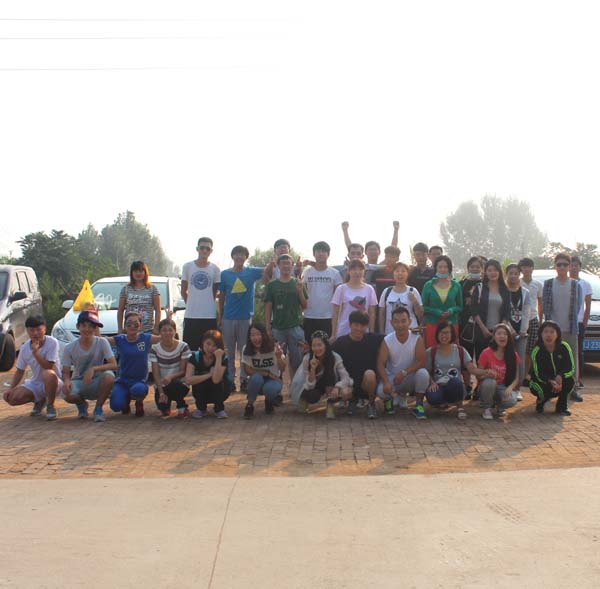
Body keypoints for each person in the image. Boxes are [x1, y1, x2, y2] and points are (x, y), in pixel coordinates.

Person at [218, 245, 264, 392]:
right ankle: (230, 380)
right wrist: (220, 315)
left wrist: (273, 262)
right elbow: (221, 296)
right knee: (229, 352)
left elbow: (270, 270)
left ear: (246, 257)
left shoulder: (251, 272)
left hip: (245, 318)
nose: (239, 257)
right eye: (237, 254)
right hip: (228, 318)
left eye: (242, 254)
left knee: (245, 351)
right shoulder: (225, 274)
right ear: (233, 256)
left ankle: (244, 379)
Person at [3, 315, 63, 420]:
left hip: (54, 381)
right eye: (32, 330)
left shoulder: (52, 342)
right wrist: (10, 389)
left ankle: (50, 405)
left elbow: (48, 366)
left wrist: (35, 353)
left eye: (38, 329)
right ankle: (39, 400)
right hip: (36, 382)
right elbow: (20, 371)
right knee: (12, 398)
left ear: (44, 329)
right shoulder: (24, 347)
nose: (35, 333)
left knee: (48, 374)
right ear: (27, 331)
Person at [62, 310, 117, 423]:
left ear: (95, 328)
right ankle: (81, 404)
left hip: (97, 380)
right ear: (78, 327)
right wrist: (67, 382)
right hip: (79, 381)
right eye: (84, 326)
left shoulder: (102, 342)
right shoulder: (69, 348)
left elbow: (113, 364)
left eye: (91, 326)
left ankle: (98, 408)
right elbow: (66, 371)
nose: (87, 329)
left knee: (109, 377)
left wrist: (94, 369)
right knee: (66, 393)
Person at [542, 253, 583, 402]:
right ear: (555, 266)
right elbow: (545, 306)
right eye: (559, 264)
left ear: (569, 266)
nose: (562, 267)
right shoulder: (548, 284)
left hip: (570, 328)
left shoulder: (575, 285)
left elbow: (578, 305)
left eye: (565, 264)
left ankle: (573, 388)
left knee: (572, 359)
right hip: (552, 331)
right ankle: (549, 389)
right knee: (550, 359)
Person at [376, 307, 429, 419]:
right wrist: (386, 382)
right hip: (393, 378)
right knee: (381, 391)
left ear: (409, 321)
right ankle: (389, 401)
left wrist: (404, 372)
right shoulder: (387, 340)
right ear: (391, 323)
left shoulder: (417, 338)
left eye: (403, 321)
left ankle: (419, 405)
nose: (400, 325)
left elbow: (422, 362)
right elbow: (380, 363)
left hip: (410, 377)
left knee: (423, 374)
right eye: (396, 321)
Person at [106, 311, 160, 417]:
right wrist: (95, 324)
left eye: (136, 324)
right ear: (124, 325)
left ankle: (139, 403)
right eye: (129, 323)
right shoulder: (120, 339)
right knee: (116, 405)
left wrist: (168, 321)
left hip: (139, 381)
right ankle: (125, 402)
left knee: (138, 390)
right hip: (122, 380)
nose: (132, 326)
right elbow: (101, 340)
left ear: (140, 326)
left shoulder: (146, 338)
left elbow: (165, 337)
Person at [264, 254, 308, 378]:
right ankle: (277, 386)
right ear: (278, 266)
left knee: (297, 362)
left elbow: (305, 305)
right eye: (283, 263)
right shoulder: (272, 285)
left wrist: (300, 291)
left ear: (292, 266)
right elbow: (268, 307)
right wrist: (267, 327)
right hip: (278, 328)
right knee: (277, 361)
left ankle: (295, 386)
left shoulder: (298, 283)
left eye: (288, 263)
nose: (286, 266)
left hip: (296, 327)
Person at [332, 310, 383, 418]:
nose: (359, 328)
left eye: (362, 325)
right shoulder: (340, 343)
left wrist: (411, 332)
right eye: (356, 325)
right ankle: (352, 401)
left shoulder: (373, 339)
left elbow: (393, 337)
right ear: (350, 324)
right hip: (348, 384)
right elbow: (326, 352)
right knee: (345, 391)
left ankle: (371, 404)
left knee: (370, 374)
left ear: (367, 326)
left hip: (366, 384)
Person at [294, 331, 353, 419]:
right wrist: (313, 369)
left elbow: (346, 378)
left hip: (331, 383)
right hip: (311, 386)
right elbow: (309, 386)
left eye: (319, 345)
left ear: (326, 345)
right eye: (314, 345)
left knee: (346, 391)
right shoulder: (307, 359)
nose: (317, 348)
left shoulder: (335, 357)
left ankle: (330, 403)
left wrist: (337, 387)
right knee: (312, 396)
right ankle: (304, 400)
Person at [425, 321, 474, 420]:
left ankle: (460, 407)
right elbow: (425, 371)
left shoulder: (460, 350)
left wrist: (486, 372)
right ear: (437, 334)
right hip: (438, 385)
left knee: (456, 382)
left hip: (455, 386)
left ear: (452, 334)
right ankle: (442, 403)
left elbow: (471, 369)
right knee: (433, 397)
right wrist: (431, 382)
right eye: (441, 332)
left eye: (447, 333)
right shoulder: (431, 351)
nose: (444, 335)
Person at [181, 237, 221, 353]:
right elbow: (183, 290)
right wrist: (191, 304)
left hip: (209, 316)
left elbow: (214, 292)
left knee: (209, 350)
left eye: (207, 248)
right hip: (191, 316)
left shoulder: (215, 269)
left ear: (211, 251)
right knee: (190, 351)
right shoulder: (187, 266)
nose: (204, 250)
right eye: (202, 248)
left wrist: (205, 304)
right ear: (197, 249)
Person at [474, 323, 519, 420]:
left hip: (502, 386)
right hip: (486, 386)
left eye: (505, 334)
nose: (502, 336)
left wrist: (510, 387)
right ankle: (487, 407)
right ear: (494, 337)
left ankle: (500, 406)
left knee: (512, 400)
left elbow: (516, 378)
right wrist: (487, 374)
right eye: (499, 334)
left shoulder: (513, 354)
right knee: (490, 382)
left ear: (509, 337)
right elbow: (478, 376)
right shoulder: (486, 353)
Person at [529, 321, 575, 416]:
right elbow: (538, 373)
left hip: (559, 380)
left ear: (557, 334)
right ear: (541, 334)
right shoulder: (536, 350)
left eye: (552, 332)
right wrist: (550, 381)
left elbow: (571, 367)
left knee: (570, 381)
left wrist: (560, 376)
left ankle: (561, 407)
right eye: (545, 332)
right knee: (542, 390)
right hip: (541, 381)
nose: (548, 335)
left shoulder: (565, 347)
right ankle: (541, 401)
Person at [241, 324, 286, 419]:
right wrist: (266, 373)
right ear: (249, 337)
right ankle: (249, 405)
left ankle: (269, 400)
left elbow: (282, 369)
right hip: (258, 377)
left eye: (258, 334)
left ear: (264, 335)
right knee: (256, 378)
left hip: (273, 379)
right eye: (252, 335)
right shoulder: (246, 348)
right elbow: (248, 371)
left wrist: (279, 358)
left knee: (270, 389)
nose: (256, 338)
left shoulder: (274, 347)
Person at [150, 318, 192, 418]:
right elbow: (156, 374)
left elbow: (183, 371)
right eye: (164, 330)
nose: (167, 333)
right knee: (163, 408)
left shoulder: (183, 346)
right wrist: (161, 393)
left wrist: (170, 377)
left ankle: (182, 407)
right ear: (159, 332)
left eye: (170, 330)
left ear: (174, 331)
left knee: (174, 384)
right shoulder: (154, 349)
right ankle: (166, 406)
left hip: (180, 384)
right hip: (162, 385)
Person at [185, 330, 232, 418]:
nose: (210, 348)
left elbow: (216, 379)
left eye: (214, 345)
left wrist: (218, 358)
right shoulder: (195, 357)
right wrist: (209, 375)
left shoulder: (223, 358)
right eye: (208, 344)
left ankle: (219, 409)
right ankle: (201, 409)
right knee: (199, 380)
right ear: (203, 343)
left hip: (220, 391)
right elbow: (188, 380)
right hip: (201, 391)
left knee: (218, 381)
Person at [302, 241, 343, 341]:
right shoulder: (307, 272)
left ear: (328, 254)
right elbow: (302, 291)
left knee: (327, 346)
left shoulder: (335, 273)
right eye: (318, 251)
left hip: (328, 317)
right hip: (309, 315)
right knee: (310, 345)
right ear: (314, 254)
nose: (320, 254)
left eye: (323, 251)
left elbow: (338, 297)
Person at [471, 259, 511, 360]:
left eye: (495, 270)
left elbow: (507, 311)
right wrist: (483, 329)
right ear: (485, 272)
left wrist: (501, 329)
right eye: (489, 270)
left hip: (499, 334)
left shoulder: (505, 290)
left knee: (498, 360)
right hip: (482, 331)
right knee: (482, 360)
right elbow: (474, 310)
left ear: (499, 272)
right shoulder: (479, 287)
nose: (493, 273)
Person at [421, 255, 463, 348]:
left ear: (449, 269)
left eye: (445, 267)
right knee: (432, 351)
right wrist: (436, 312)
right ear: (435, 268)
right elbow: (423, 307)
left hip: (451, 324)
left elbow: (460, 306)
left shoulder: (456, 285)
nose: (443, 269)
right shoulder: (428, 285)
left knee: (451, 350)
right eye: (440, 267)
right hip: (432, 323)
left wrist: (451, 310)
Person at [331, 259, 377, 340]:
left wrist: (371, 332)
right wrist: (333, 334)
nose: (357, 272)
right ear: (348, 271)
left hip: (363, 332)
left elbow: (372, 313)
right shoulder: (341, 288)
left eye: (360, 269)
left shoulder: (369, 289)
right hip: (344, 331)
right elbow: (335, 313)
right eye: (354, 269)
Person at [505, 263, 531, 399]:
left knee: (519, 361)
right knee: (507, 359)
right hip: (505, 331)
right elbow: (502, 312)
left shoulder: (525, 292)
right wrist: (510, 329)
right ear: (506, 275)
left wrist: (522, 330)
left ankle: (517, 388)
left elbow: (527, 312)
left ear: (519, 275)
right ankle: (506, 386)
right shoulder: (503, 291)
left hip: (521, 332)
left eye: (516, 273)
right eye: (511, 273)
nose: (513, 276)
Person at [378, 262, 423, 335]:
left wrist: (415, 301)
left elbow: (421, 314)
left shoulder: (413, 291)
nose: (400, 274)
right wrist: (381, 331)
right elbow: (382, 313)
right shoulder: (386, 291)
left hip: (411, 331)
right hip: (390, 331)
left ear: (407, 274)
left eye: (403, 271)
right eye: (397, 271)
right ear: (393, 274)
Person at [518, 257, 543, 388]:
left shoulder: (538, 284)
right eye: (524, 267)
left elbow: (540, 303)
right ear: (520, 269)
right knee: (518, 348)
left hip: (533, 319)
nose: (526, 269)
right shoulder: (517, 282)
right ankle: (517, 375)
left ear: (532, 268)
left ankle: (526, 375)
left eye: (529, 266)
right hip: (519, 319)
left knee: (530, 349)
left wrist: (540, 320)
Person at [117, 261, 161, 334]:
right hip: (130, 330)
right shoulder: (125, 289)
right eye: (135, 271)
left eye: (140, 271)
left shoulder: (153, 289)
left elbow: (158, 310)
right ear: (132, 273)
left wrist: (156, 328)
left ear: (145, 272)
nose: (138, 273)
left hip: (148, 330)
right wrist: (120, 329)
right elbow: (120, 310)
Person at [569, 256, 592, 390]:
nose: (573, 268)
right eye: (571, 265)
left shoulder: (585, 284)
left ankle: (578, 379)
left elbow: (587, 305)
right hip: (565, 321)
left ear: (580, 267)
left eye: (576, 265)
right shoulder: (565, 282)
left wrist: (585, 321)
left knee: (578, 351)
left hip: (578, 322)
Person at [458, 256, 483, 357]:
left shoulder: (486, 284)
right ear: (468, 268)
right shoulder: (461, 284)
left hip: (481, 323)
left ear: (482, 268)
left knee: (481, 354)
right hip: (465, 323)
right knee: (466, 354)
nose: (475, 269)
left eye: (477, 267)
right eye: (472, 267)